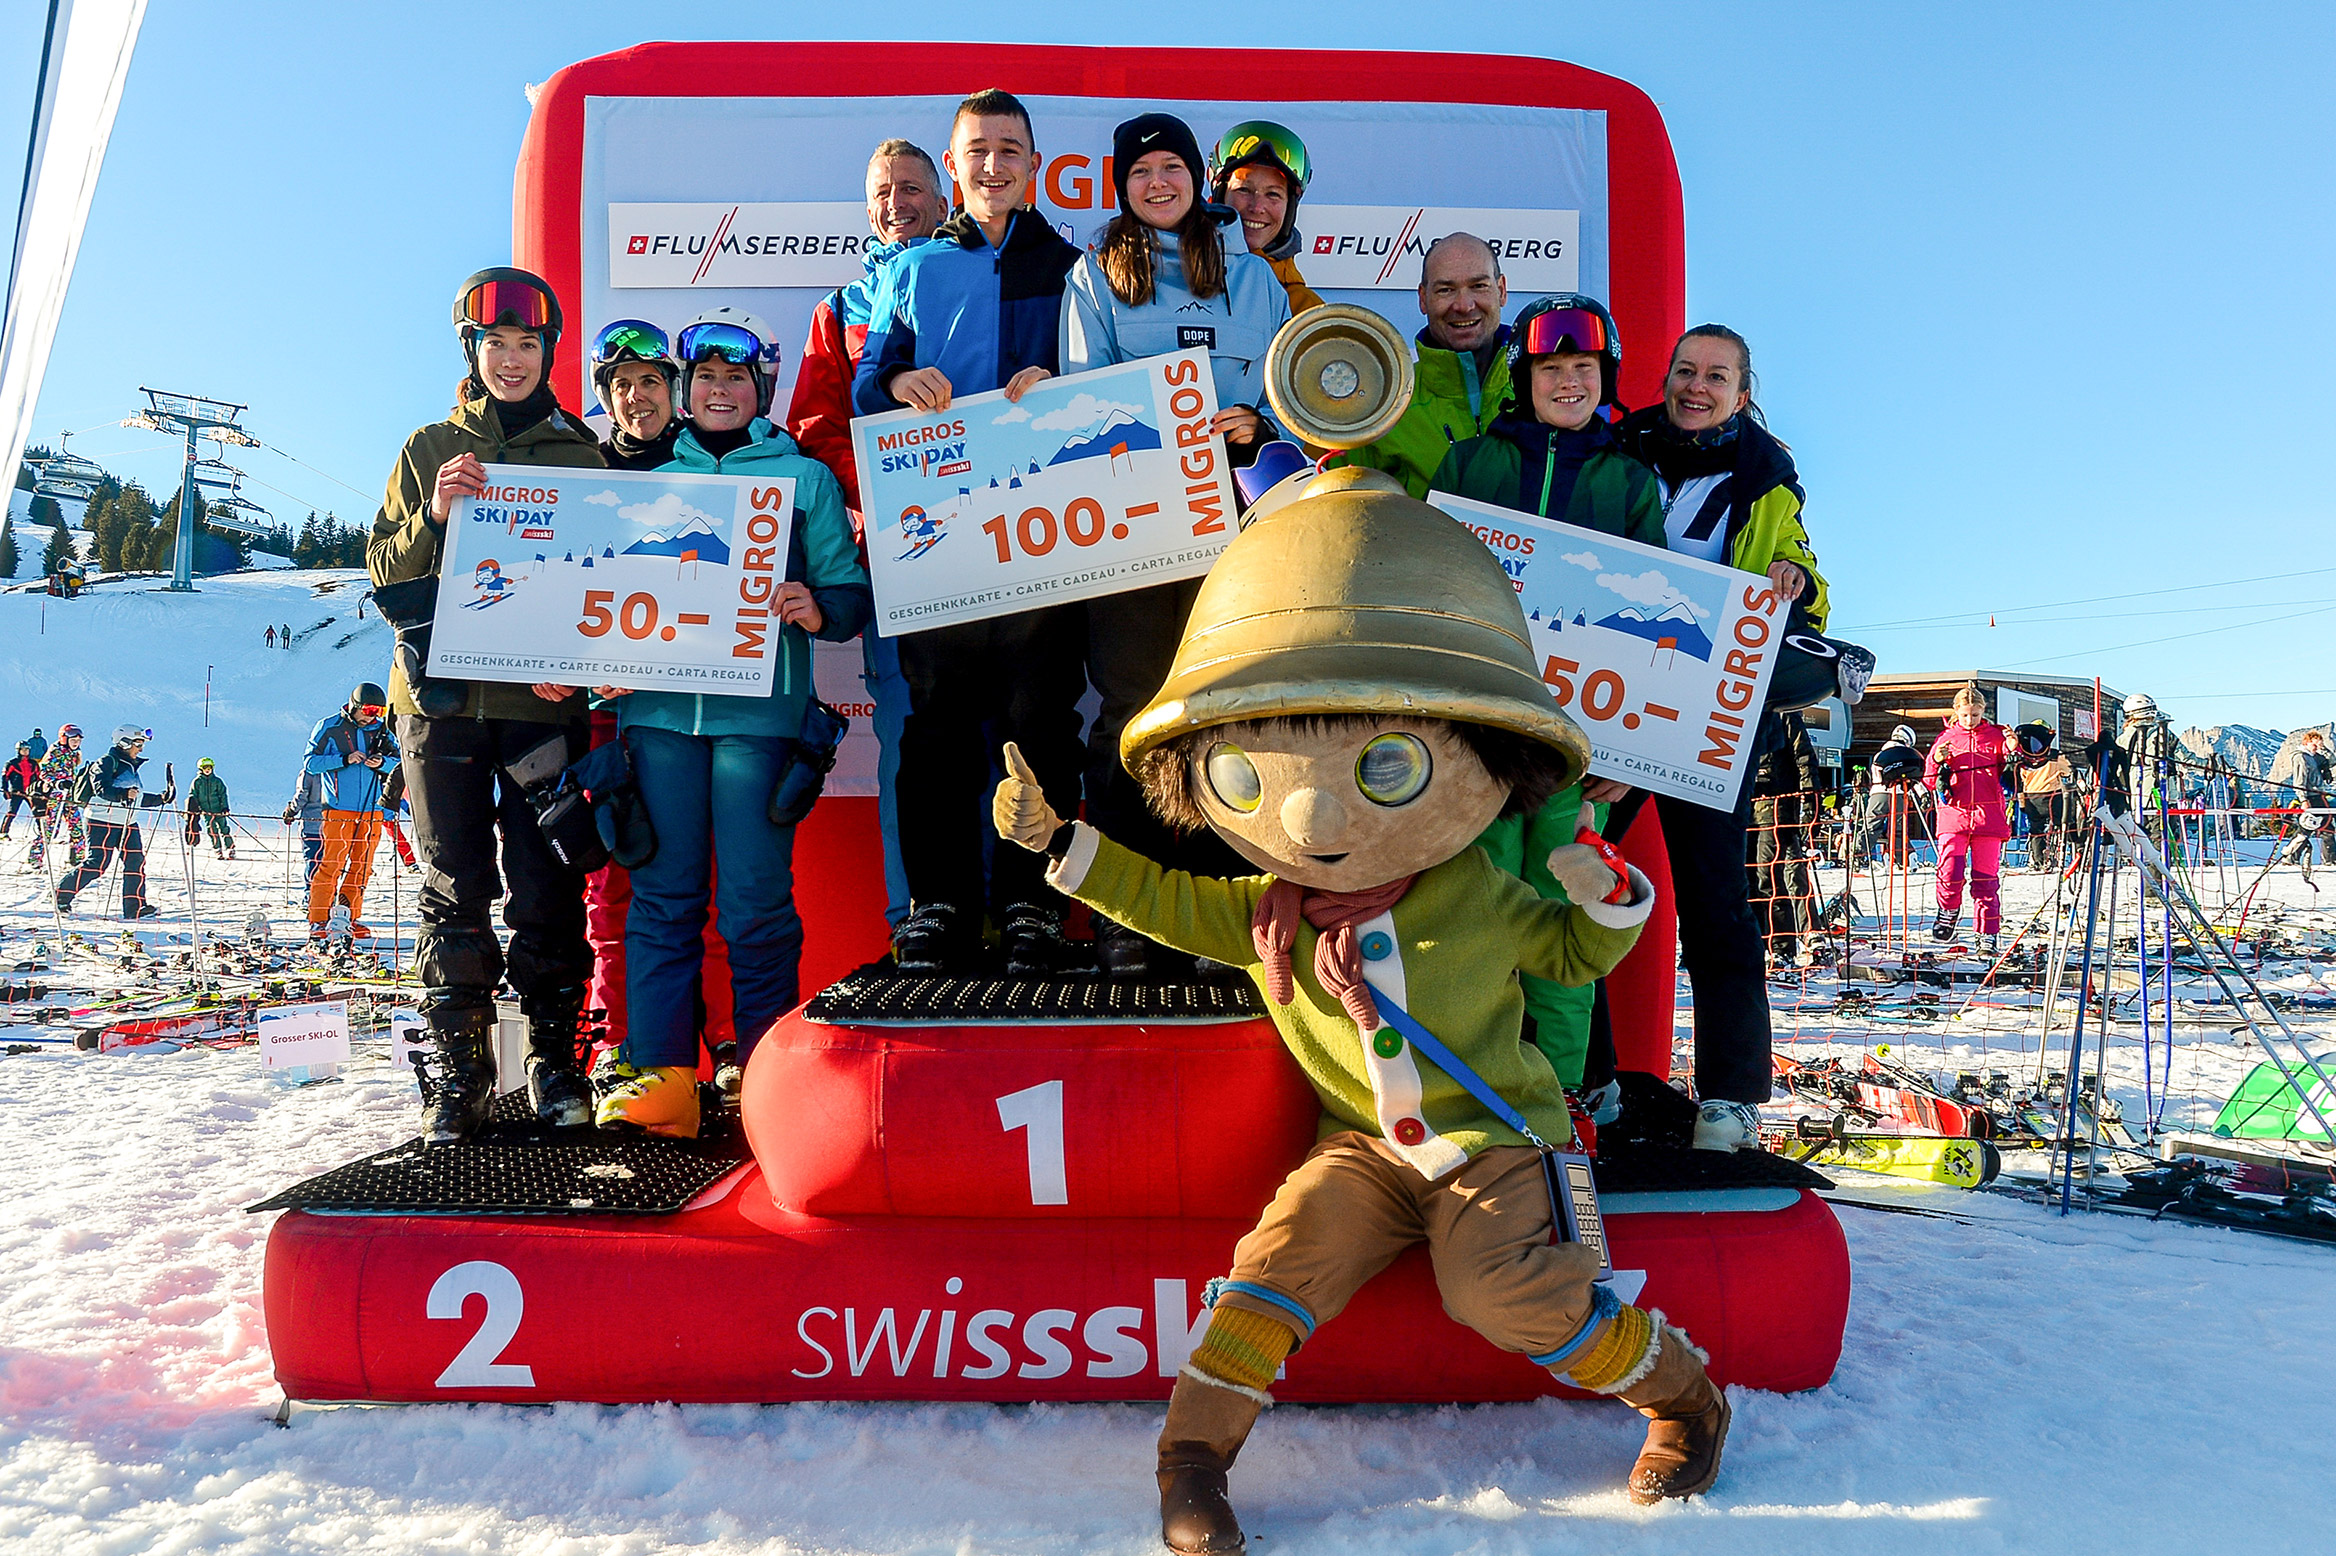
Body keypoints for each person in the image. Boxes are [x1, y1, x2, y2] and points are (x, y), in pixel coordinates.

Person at [992, 481, 1726, 1551]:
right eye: (1251, 769)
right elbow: (1156, 896)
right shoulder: (1262, 913)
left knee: (1507, 1291)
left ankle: (1681, 1392)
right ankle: (1190, 1456)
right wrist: (1060, 841)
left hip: (1492, 1136)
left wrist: (1604, 892)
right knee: (1273, 1263)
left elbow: (1573, 953)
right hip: (1363, 1145)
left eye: (1386, 762)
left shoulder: (1473, 885)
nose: (1311, 815)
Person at [591, 308, 872, 1139]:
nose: (720, 390)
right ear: (687, 389)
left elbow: (849, 594)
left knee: (754, 904)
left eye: (737, 378)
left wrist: (815, 606)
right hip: (660, 718)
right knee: (664, 900)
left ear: (762, 390)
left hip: (759, 719)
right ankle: (664, 1075)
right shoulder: (643, 474)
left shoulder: (804, 479)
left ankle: (764, 1072)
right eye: (706, 378)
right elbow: (588, 588)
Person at [366, 266, 606, 1143]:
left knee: (547, 884)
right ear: (472, 351)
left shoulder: (582, 452)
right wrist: (435, 515)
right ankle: (461, 1078)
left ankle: (552, 1062)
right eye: (497, 344)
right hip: (444, 702)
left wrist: (581, 664)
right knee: (453, 887)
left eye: (529, 344)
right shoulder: (431, 446)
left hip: (539, 705)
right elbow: (386, 574)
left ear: (549, 352)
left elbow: (604, 587)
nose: (513, 360)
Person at [852, 88, 1086, 975]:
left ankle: (1031, 906)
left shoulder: (1070, 265)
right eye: (977, 151)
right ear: (952, 168)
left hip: (1047, 530)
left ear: (1035, 164)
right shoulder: (913, 269)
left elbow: (1102, 384)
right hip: (939, 531)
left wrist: (1058, 385)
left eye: (1009, 150)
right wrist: (899, 386)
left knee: (1040, 721)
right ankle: (937, 906)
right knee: (938, 726)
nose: (993, 165)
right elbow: (871, 380)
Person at [1059, 110, 1292, 976]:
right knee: (1129, 709)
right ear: (1120, 185)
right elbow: (1080, 398)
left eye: (1173, 168)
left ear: (1199, 179)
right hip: (1132, 527)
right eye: (1141, 171)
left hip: (1232, 526)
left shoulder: (1254, 277)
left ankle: (1221, 903)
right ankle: (1129, 910)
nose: (1159, 183)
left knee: (1227, 708)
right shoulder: (1095, 274)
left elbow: (1284, 395)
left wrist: (1254, 420)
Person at [1597, 324, 1829, 1150]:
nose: (1698, 387)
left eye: (1717, 376)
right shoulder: (1617, 444)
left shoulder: (1766, 478)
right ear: (1666, 378)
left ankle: (1730, 1097)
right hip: (1610, 714)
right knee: (1572, 881)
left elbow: (1808, 586)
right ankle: (1589, 1082)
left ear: (1741, 391)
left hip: (1708, 722)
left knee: (1717, 906)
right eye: (1686, 371)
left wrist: (1795, 587)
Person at [1428, 294, 1660, 1096]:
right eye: (1553, 368)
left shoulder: (1629, 480)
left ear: (1606, 377)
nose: (1569, 383)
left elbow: (1654, 624)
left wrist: (1630, 756)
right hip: (1483, 737)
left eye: (1584, 369)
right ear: (1525, 377)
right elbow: (1436, 590)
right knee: (1480, 907)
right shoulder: (1470, 464)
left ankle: (1563, 1099)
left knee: (1569, 910)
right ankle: (1479, 1082)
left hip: (1575, 744)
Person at [787, 135, 950, 930]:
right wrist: (869, 499)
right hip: (897, 555)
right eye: (884, 191)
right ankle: (912, 915)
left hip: (1006, 545)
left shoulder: (982, 281)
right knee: (910, 736)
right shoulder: (839, 311)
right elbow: (815, 432)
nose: (899, 202)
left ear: (944, 200)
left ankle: (1006, 916)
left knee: (1006, 730)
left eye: (914, 187)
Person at [1336, 233, 1512, 497]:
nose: (1464, 305)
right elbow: (1340, 506)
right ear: (1422, 298)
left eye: (1479, 286)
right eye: (1446, 290)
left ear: (1501, 290)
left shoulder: (1544, 393)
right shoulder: (1385, 407)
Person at [302, 684, 399, 938]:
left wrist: (383, 763)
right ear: (355, 706)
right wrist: (344, 760)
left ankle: (348, 917)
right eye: (369, 709)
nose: (373, 715)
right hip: (338, 809)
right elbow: (310, 763)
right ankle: (319, 920)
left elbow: (400, 763)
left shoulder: (383, 730)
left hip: (372, 809)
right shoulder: (330, 727)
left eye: (379, 710)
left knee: (362, 866)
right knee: (331, 864)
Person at [1927, 684, 2017, 949]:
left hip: (1988, 818)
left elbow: (2013, 776)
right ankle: (1948, 912)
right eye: (1965, 715)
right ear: (1956, 712)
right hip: (1954, 816)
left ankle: (1987, 932)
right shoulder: (1945, 738)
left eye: (1975, 715)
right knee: (1949, 871)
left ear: (1983, 712)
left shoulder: (1996, 736)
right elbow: (1930, 781)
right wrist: (1936, 761)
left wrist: (2012, 750)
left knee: (1986, 880)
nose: (1970, 720)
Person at [1207, 119, 1323, 315]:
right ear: (1220, 195)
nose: (1257, 207)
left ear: (1290, 207)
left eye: (1273, 194)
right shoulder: (1175, 281)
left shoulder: (1305, 310)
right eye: (1243, 190)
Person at [57, 725, 172, 919]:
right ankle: (61, 895)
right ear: (124, 742)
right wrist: (122, 794)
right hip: (102, 820)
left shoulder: (130, 766)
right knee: (98, 863)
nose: (141, 748)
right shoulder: (106, 762)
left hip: (128, 822)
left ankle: (134, 908)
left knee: (135, 861)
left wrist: (162, 798)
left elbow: (135, 797)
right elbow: (101, 788)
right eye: (138, 743)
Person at [1750, 712, 1821, 967]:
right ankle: (1756, 943)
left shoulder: (1783, 712)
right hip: (1744, 806)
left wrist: (1811, 800)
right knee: (1747, 879)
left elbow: (1803, 756)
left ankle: (1782, 947)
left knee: (1769, 878)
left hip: (1776, 806)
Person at [589, 319, 683, 470]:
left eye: (649, 382)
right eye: (622, 385)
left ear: (673, 391)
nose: (634, 396)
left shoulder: (708, 461)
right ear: (607, 399)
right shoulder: (590, 467)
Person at [2013, 721, 2078, 872]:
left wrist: (2022, 803)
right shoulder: (2055, 755)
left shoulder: (2022, 758)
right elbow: (2068, 771)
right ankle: (2075, 853)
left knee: (2036, 828)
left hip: (2031, 796)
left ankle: (2038, 860)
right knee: (2064, 824)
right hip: (2052, 795)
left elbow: (2019, 782)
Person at [30, 723, 85, 870]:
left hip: (69, 796)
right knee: (50, 829)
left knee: (77, 827)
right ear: (63, 738)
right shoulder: (55, 751)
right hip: (55, 796)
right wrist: (57, 783)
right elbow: (43, 772)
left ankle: (77, 859)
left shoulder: (75, 753)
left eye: (79, 740)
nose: (76, 743)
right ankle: (35, 859)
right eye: (73, 739)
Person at [186, 756, 233, 861]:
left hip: (218, 809)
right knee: (212, 830)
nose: (207, 770)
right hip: (206, 811)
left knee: (224, 828)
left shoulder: (217, 781)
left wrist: (225, 807)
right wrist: (196, 808)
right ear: (201, 769)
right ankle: (217, 848)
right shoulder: (197, 782)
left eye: (209, 767)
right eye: (205, 767)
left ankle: (230, 847)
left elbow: (223, 794)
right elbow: (193, 796)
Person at [2, 742, 36, 838]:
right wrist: (5, 790)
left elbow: (38, 778)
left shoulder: (33, 764)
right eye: (23, 750)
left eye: (27, 750)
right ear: (18, 751)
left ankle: (44, 833)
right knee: (12, 812)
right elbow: (5, 777)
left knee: (37, 812)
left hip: (31, 792)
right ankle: (3, 832)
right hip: (17, 792)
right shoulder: (12, 763)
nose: (25, 752)